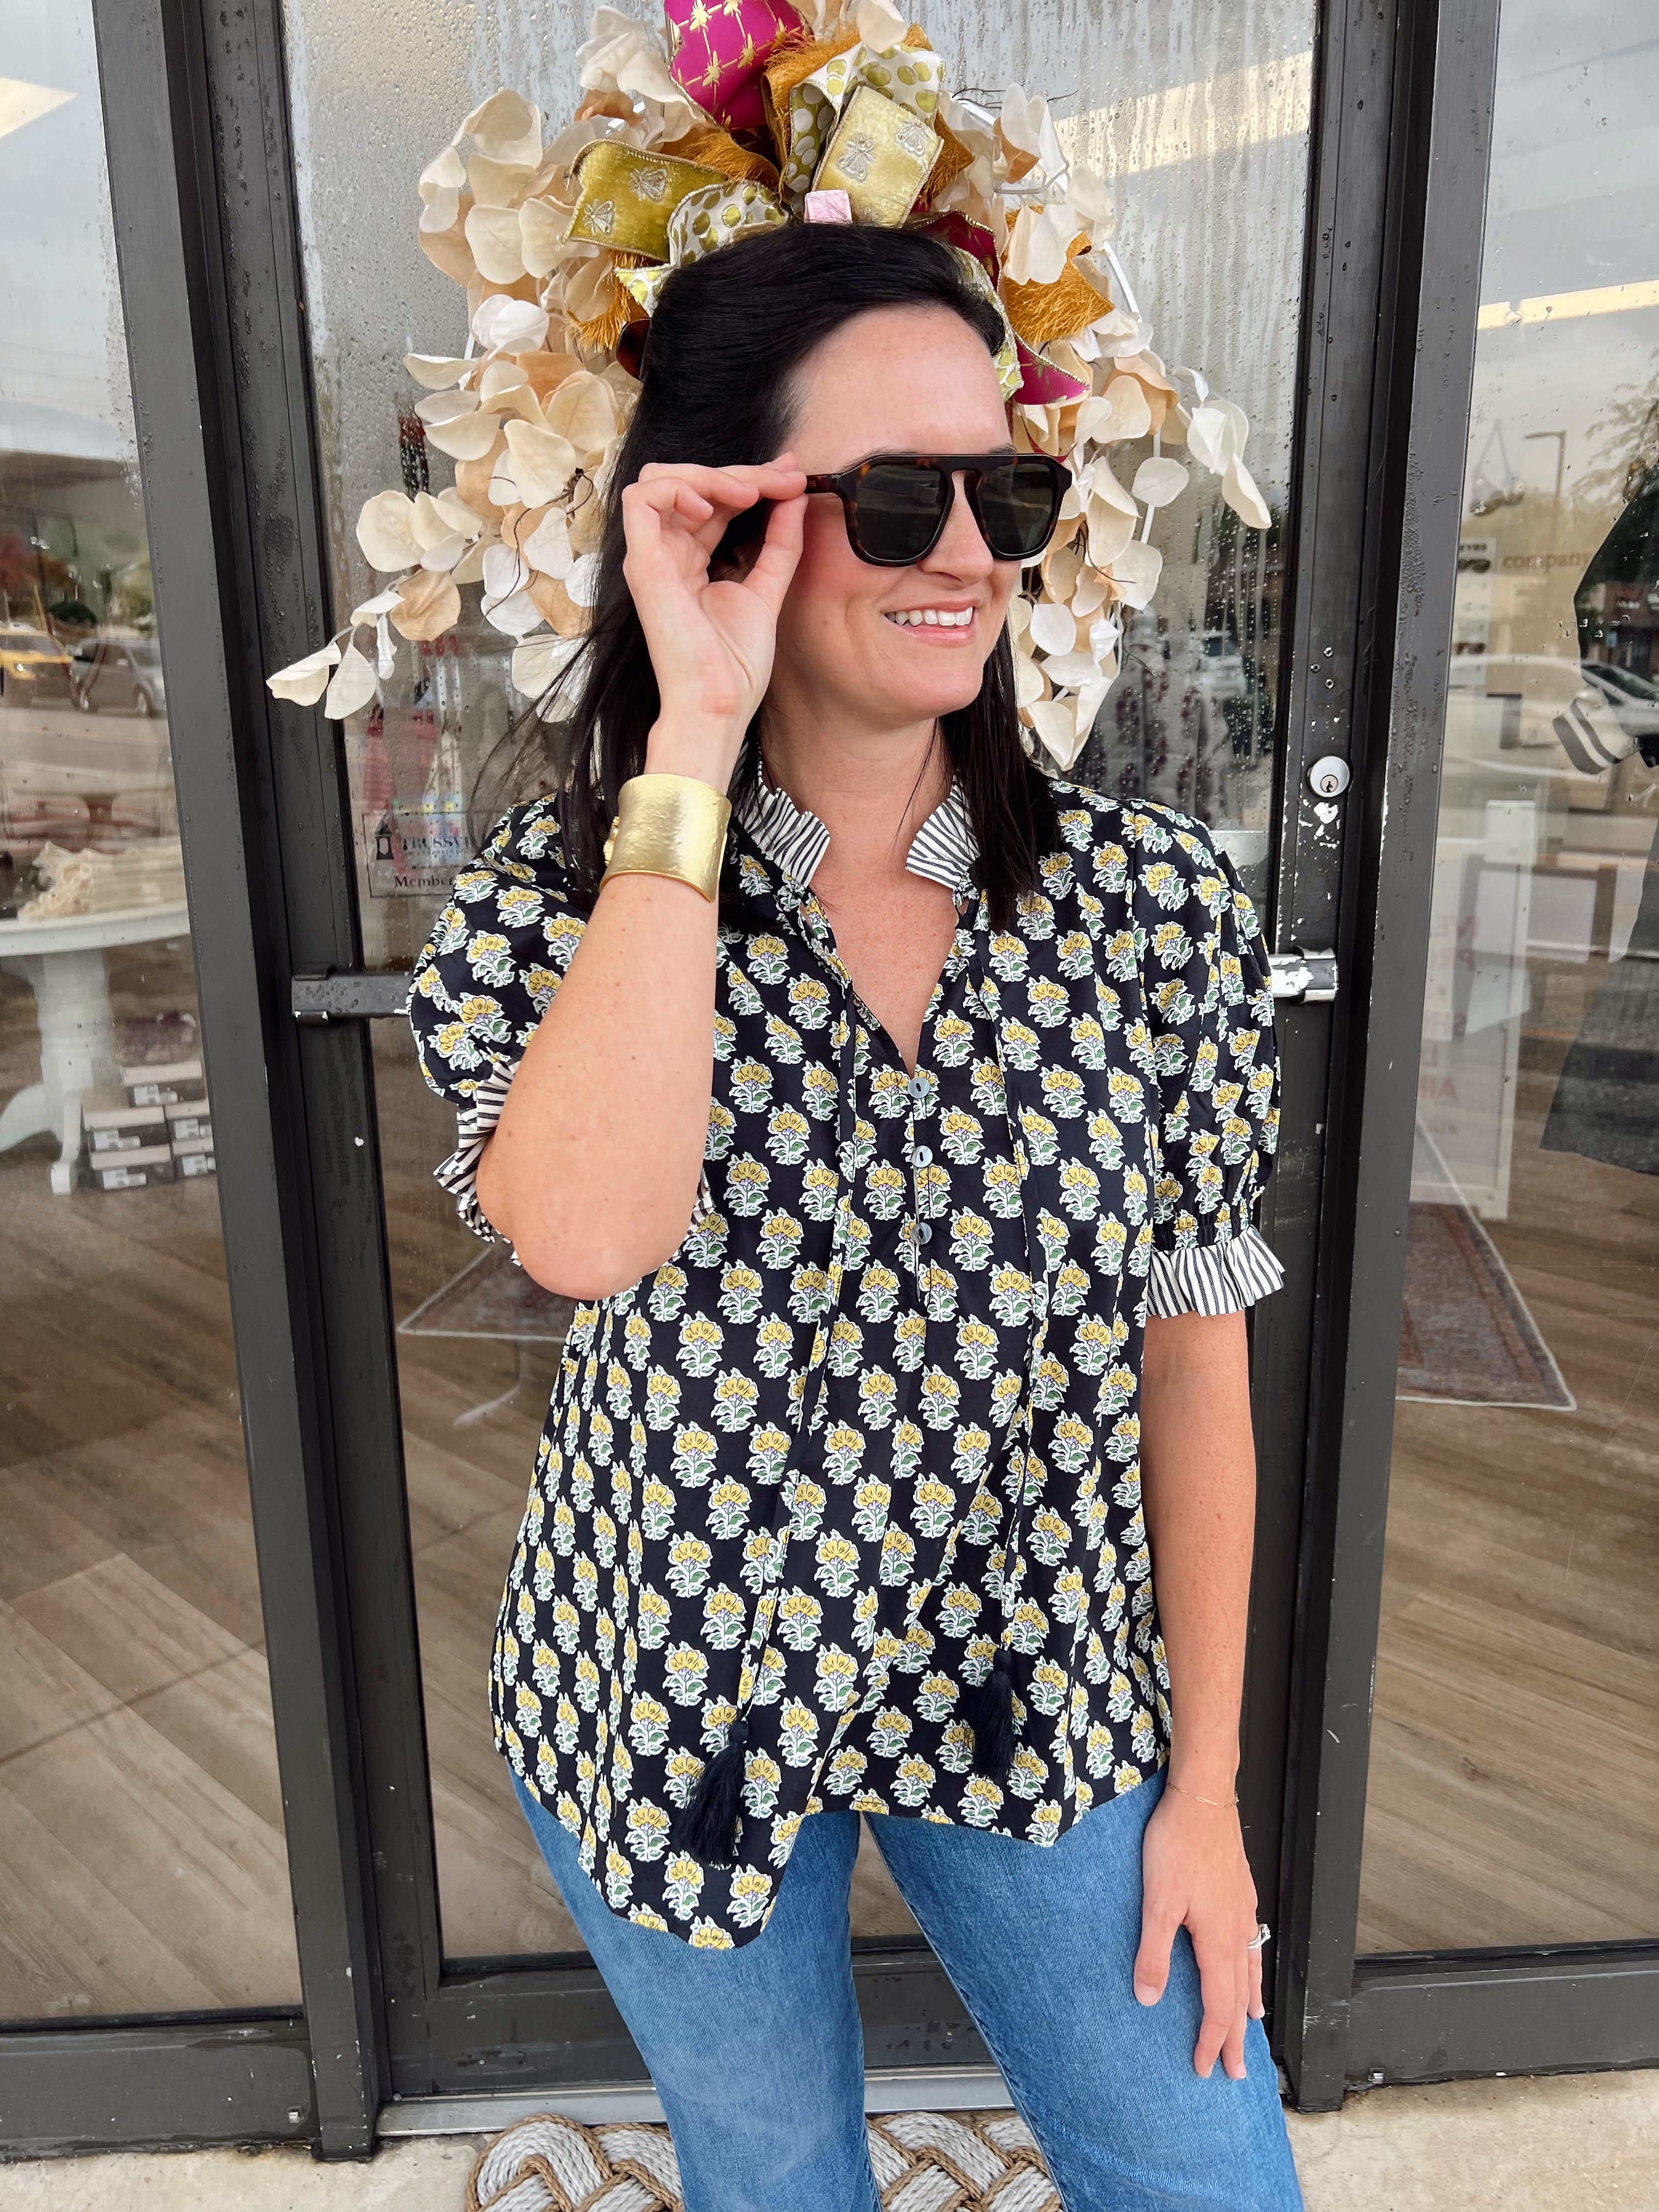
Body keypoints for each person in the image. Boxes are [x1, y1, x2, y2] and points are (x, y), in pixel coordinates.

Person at [410, 223, 1299, 2212]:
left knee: (1203, 2171)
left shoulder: (1152, 913)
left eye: (1011, 492)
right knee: (775, 2173)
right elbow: (584, 1235)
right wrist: (695, 742)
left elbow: (1194, 1364)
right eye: (898, 496)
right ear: (727, 515)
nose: (970, 550)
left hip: (1038, 1661)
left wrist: (1209, 1790)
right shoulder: (557, 905)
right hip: (674, 1669)